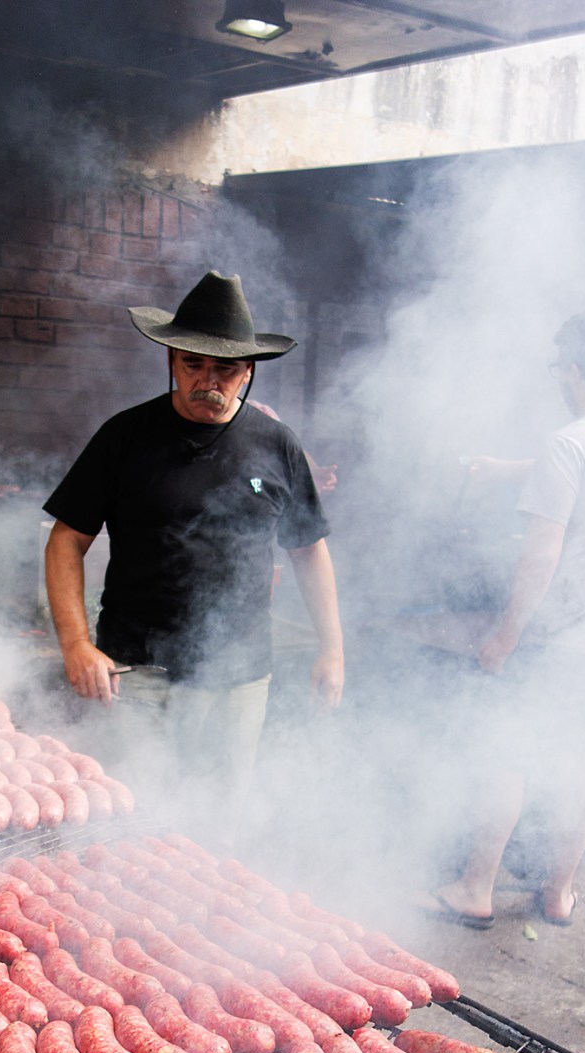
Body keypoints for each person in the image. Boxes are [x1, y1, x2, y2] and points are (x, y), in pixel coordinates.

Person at [43, 270, 344, 840]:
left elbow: (309, 550)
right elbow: (67, 540)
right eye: (193, 365)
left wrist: (332, 647)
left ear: (248, 371)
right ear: (171, 363)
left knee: (217, 826)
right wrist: (76, 644)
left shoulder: (277, 445)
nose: (208, 380)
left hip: (239, 677)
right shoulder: (124, 437)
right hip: (136, 672)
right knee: (129, 827)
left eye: (225, 368)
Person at [425, 307, 585, 928]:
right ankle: (558, 894)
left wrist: (505, 635)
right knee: (584, 767)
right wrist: (503, 470)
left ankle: (475, 888)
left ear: (575, 371)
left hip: (558, 644)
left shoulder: (569, 442)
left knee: (507, 758)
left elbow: (540, 556)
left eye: (559, 367)